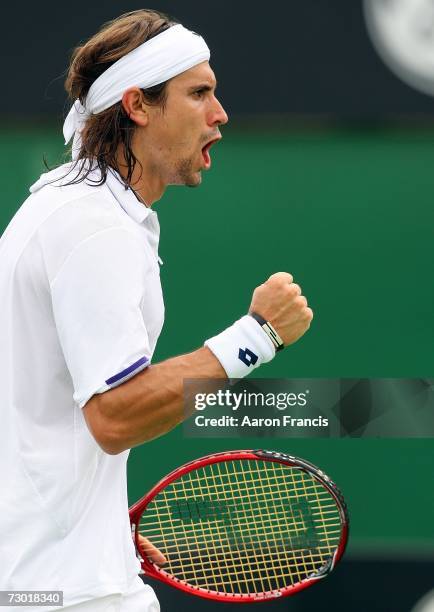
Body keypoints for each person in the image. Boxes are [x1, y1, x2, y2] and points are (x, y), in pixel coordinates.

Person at [0, 9, 313, 612]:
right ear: (138, 105)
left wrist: (103, 524)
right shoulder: (94, 228)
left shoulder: (63, 209)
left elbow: (37, 414)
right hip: (71, 592)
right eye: (199, 93)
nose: (220, 114)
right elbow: (115, 418)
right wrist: (257, 336)